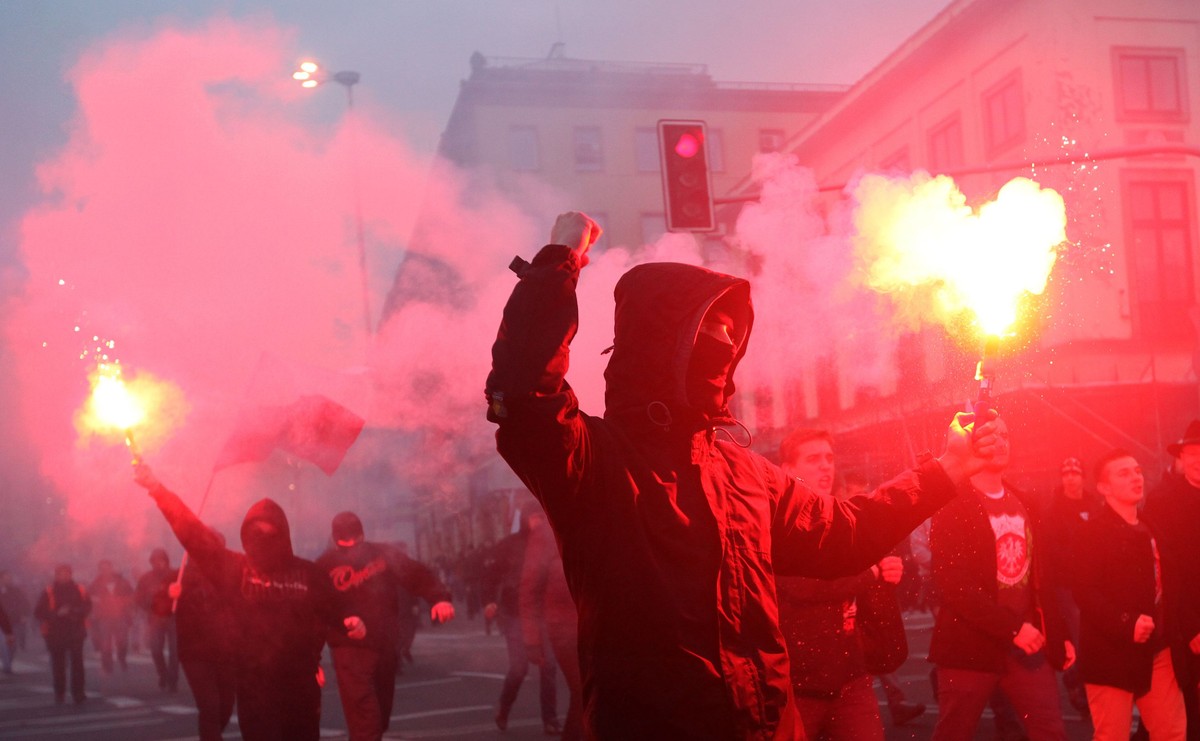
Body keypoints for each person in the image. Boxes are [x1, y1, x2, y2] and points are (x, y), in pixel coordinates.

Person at [485, 211, 1001, 739]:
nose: (725, 344)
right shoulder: (593, 463)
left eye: (732, 332)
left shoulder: (746, 474)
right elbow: (524, 396)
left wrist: (948, 469)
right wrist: (559, 264)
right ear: (660, 342)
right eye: (709, 328)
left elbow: (843, 535)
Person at [133, 463, 365, 741]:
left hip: (300, 686)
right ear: (245, 535)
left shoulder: (308, 573)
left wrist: (350, 621)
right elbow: (192, 532)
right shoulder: (234, 569)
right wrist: (157, 490)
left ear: (283, 534)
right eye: (256, 532)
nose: (263, 539)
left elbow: (334, 608)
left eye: (270, 533)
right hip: (253, 686)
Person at [928, 416, 1074, 741]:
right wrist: (1010, 629)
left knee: (1050, 729)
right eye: (992, 436)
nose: (1001, 442)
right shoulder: (953, 505)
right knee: (954, 732)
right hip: (970, 644)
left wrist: (1058, 631)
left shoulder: (1027, 503)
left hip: (1027, 644)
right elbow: (953, 584)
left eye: (1006, 435)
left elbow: (1043, 576)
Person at [775, 428, 923, 740]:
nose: (825, 465)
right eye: (813, 459)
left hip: (852, 679)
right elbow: (804, 585)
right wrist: (870, 574)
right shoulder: (779, 522)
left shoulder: (843, 517)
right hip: (799, 685)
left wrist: (889, 574)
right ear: (788, 470)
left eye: (829, 457)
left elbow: (874, 586)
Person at [1074, 449, 1187, 740]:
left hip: (1157, 651)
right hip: (1110, 654)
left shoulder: (1151, 528)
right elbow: (1083, 591)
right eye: (1123, 473)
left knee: (1172, 732)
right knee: (1112, 735)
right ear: (1103, 487)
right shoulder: (1092, 532)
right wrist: (1126, 622)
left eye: (1137, 471)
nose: (1135, 478)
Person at [317, 511, 455, 741]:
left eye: (355, 540)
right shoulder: (324, 566)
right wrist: (339, 627)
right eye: (346, 542)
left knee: (379, 714)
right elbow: (316, 609)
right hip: (349, 648)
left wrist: (439, 597)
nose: (352, 547)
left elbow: (415, 573)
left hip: (383, 643)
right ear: (335, 539)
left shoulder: (382, 554)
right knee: (365, 719)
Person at [481, 506, 561, 734]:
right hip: (514, 612)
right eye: (534, 517)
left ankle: (550, 719)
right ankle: (504, 708)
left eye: (542, 517)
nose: (538, 522)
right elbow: (489, 575)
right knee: (519, 668)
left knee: (549, 667)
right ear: (525, 519)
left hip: (543, 613)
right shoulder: (509, 545)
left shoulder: (551, 543)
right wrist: (488, 601)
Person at [1145, 420, 1200, 740]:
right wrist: (1191, 627)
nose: (1197, 458)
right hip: (1183, 629)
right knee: (1180, 714)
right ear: (1180, 458)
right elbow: (1166, 572)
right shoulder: (1163, 502)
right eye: (1190, 452)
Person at [1044, 456, 1100, 718]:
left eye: (1075, 473)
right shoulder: (1055, 509)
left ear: (1082, 477)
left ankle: (1089, 685)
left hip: (1095, 584)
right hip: (1068, 586)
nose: (1070, 478)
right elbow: (1053, 550)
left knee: (1094, 636)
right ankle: (1079, 688)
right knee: (1078, 637)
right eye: (1065, 473)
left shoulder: (1093, 505)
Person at [172, 528, 238, 741]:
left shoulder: (232, 572)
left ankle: (211, 735)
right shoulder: (183, 575)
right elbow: (159, 606)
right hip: (195, 651)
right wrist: (169, 594)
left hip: (226, 649)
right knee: (209, 704)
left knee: (226, 703)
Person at [519, 508, 580, 738]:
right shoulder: (546, 533)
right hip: (564, 626)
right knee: (583, 691)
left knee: (596, 694)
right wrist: (532, 640)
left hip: (596, 622)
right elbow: (529, 588)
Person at [34, 564, 91, 704]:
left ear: (71, 575)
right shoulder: (48, 591)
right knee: (58, 664)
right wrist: (57, 614)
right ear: (56, 575)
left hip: (76, 631)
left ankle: (78, 692)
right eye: (60, 573)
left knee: (77, 663)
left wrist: (73, 611)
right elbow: (38, 612)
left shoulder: (80, 589)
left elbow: (88, 607)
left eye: (66, 573)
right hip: (55, 632)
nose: (63, 576)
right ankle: (59, 692)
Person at [136, 547, 179, 692]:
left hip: (173, 617)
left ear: (166, 561)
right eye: (155, 561)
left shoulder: (176, 576)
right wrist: (148, 606)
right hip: (155, 618)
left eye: (161, 560)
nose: (158, 564)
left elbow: (186, 593)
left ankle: (172, 680)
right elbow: (139, 597)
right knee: (155, 649)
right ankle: (163, 674)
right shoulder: (146, 578)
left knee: (175, 652)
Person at [88, 559, 134, 674]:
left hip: (121, 616)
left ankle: (121, 658)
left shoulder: (123, 582)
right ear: (100, 570)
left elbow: (132, 596)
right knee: (105, 643)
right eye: (102, 568)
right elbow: (90, 599)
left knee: (122, 642)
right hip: (104, 617)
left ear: (111, 568)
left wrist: (124, 604)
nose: (105, 570)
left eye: (107, 568)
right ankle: (107, 665)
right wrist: (97, 604)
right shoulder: (95, 584)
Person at [0, 570, 30, 674]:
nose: (8, 580)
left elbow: (25, 602)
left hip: (14, 620)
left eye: (9, 578)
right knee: (3, 643)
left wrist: (24, 614)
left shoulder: (16, 590)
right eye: (5, 578)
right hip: (1, 621)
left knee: (12, 645)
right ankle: (7, 666)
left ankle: (8, 661)